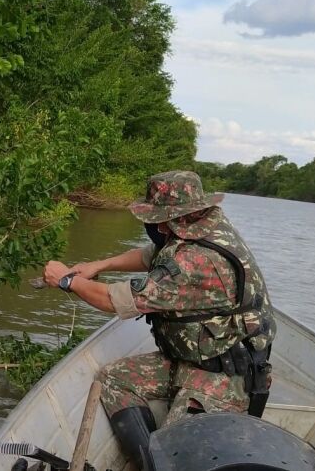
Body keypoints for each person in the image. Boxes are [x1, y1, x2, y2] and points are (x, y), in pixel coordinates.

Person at [42, 170, 275, 469]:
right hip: (194, 360)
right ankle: (147, 462)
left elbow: (114, 300)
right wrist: (97, 265)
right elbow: (150, 254)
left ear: (168, 218)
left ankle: (162, 460)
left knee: (178, 453)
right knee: (113, 380)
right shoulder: (205, 227)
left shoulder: (192, 262)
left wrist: (66, 281)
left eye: (153, 218)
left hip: (225, 380)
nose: (152, 225)